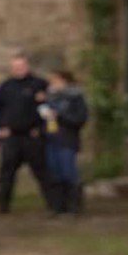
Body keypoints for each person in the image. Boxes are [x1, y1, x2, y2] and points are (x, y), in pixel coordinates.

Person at [0, 52, 50, 214]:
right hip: (11, 136)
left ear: (27, 66)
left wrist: (40, 128)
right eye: (15, 67)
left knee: (41, 171)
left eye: (21, 66)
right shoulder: (5, 86)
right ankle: (2, 206)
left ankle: (52, 204)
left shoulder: (39, 84)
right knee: (6, 172)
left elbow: (47, 108)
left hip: (32, 136)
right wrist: (1, 127)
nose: (19, 69)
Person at [41, 69, 90, 215]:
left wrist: (60, 116)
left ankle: (74, 205)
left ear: (64, 81)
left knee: (68, 172)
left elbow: (80, 119)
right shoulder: (49, 98)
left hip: (67, 139)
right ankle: (58, 206)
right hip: (51, 139)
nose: (53, 84)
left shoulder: (76, 98)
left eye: (55, 81)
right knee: (54, 172)